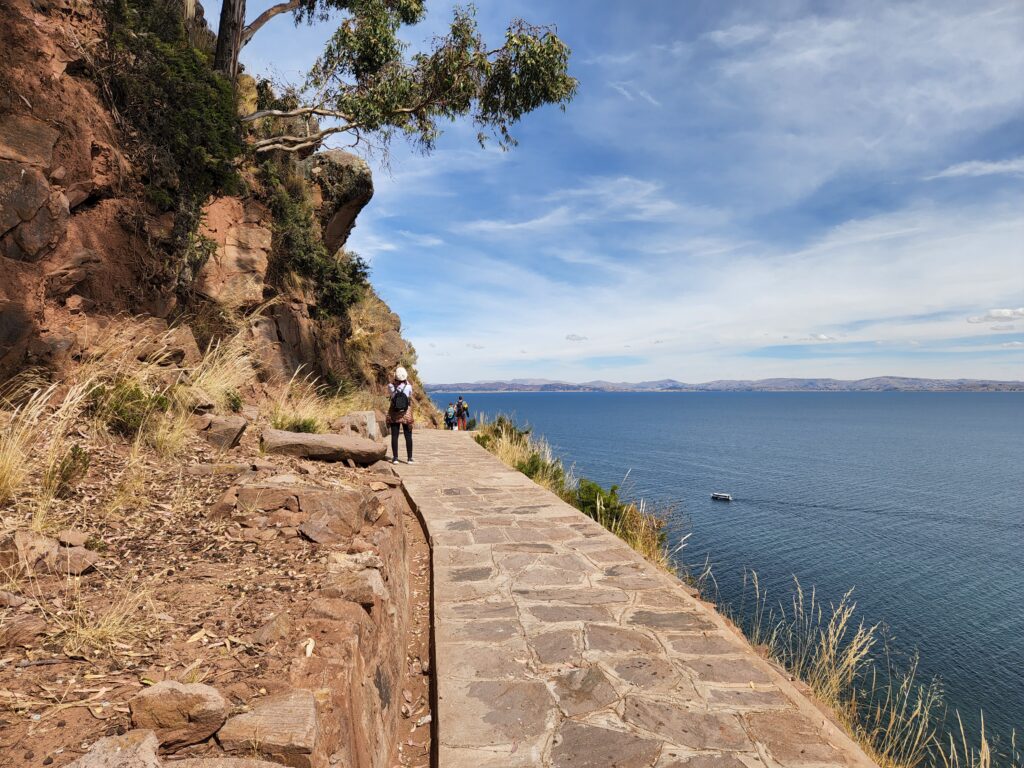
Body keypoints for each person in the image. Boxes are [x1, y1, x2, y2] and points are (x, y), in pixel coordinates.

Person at [387, 366, 414, 463]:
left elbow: (390, 394)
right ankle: (409, 458)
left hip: (394, 412)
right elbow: (410, 395)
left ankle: (395, 458)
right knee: (408, 436)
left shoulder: (391, 386)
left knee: (394, 435)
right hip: (406, 413)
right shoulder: (408, 386)